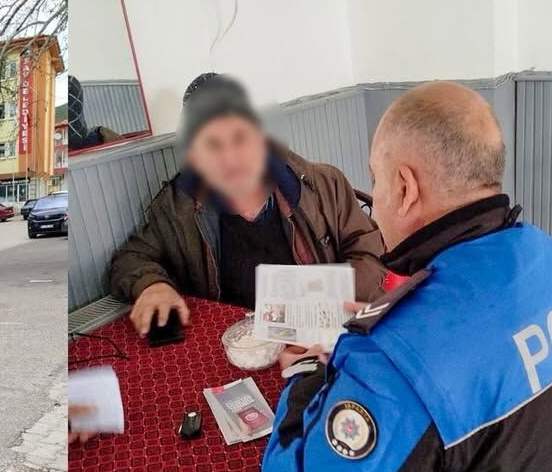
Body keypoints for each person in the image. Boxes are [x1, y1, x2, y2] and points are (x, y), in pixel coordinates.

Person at [217, 82, 552, 472]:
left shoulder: (401, 354)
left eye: (374, 182)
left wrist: (304, 369)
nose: (372, 207)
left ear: (403, 186)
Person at [108, 74, 385, 334]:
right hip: (238, 339)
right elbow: (130, 258)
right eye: (212, 145)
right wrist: (152, 285)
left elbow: (369, 251)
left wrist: (325, 304)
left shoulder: (322, 184)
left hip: (323, 330)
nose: (230, 159)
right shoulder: (177, 206)